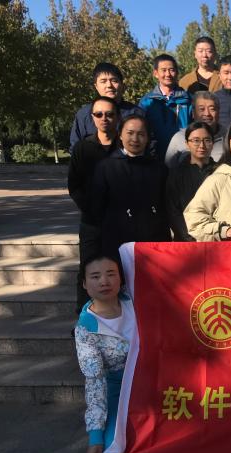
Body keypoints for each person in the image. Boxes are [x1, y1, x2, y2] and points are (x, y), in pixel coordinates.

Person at [75, 254, 136, 453]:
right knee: (113, 450)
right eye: (95, 276)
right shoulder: (85, 329)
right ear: (84, 284)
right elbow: (95, 382)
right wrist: (95, 436)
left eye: (111, 274)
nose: (104, 281)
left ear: (121, 278)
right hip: (118, 391)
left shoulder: (135, 302)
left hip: (153, 381)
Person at [68, 96, 121, 312]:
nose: (104, 118)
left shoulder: (124, 146)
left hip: (121, 221)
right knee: (88, 268)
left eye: (109, 114)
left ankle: (120, 316)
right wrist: (90, 208)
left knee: (119, 268)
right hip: (92, 221)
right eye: (99, 114)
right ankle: (85, 317)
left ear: (117, 117)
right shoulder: (83, 148)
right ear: (92, 117)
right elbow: (74, 185)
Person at [91, 115, 171, 257]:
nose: (135, 139)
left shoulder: (159, 169)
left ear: (147, 138)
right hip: (117, 244)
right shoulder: (106, 168)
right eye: (130, 133)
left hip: (153, 244)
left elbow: (165, 208)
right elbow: (94, 211)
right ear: (120, 135)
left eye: (141, 134)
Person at [70, 63, 144, 149]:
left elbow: (149, 146)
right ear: (96, 86)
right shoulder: (84, 115)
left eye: (114, 81)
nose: (109, 85)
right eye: (103, 81)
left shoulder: (136, 113)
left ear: (122, 85)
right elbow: (75, 148)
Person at [166, 122, 218, 241]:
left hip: (214, 239)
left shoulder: (220, 172)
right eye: (196, 140)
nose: (202, 145)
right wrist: (189, 237)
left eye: (207, 140)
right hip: (185, 241)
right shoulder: (176, 173)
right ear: (187, 144)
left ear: (213, 143)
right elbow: (173, 211)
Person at [138, 54, 192, 160]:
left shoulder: (188, 100)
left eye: (171, 70)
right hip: (154, 157)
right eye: (163, 70)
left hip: (183, 157)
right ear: (156, 73)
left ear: (177, 72)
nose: (168, 74)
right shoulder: (147, 102)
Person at [164, 91, 225, 168]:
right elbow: (168, 169)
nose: (207, 114)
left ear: (218, 112)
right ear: (193, 113)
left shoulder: (228, 138)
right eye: (201, 109)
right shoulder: (179, 138)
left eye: (212, 109)